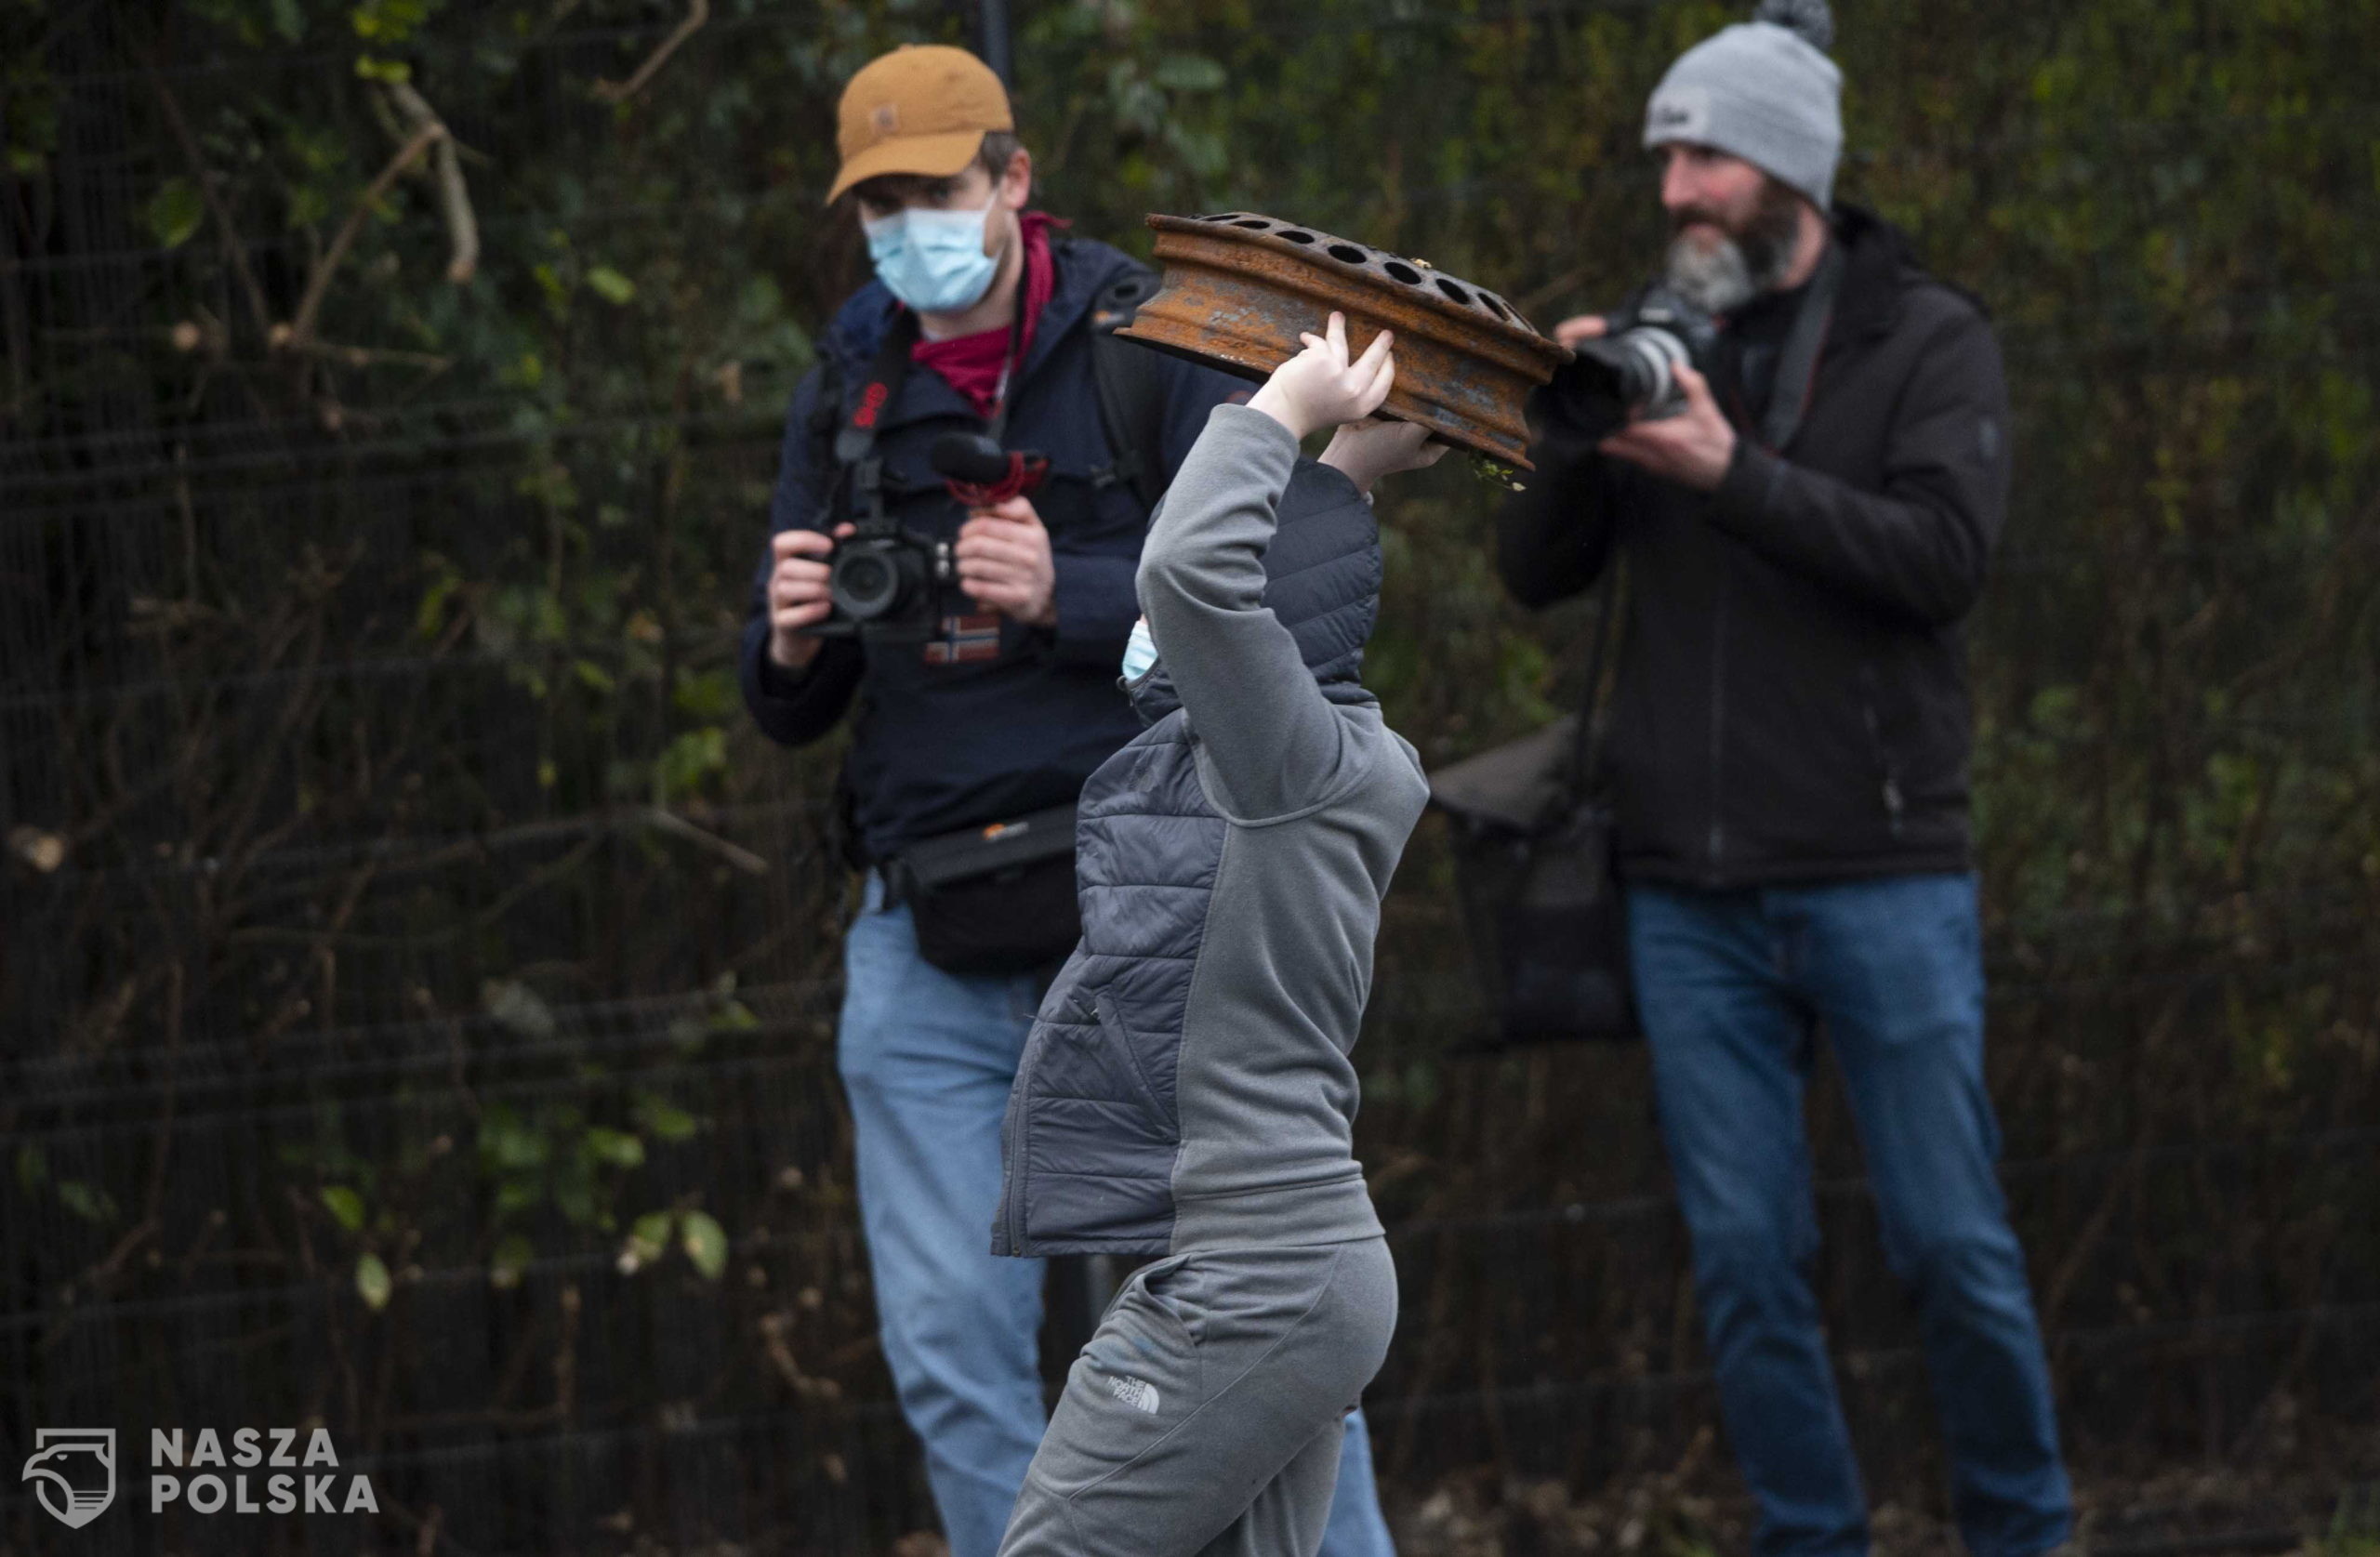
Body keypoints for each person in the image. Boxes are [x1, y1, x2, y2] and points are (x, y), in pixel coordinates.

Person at [738, 46, 1400, 1557]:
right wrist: (783, 644)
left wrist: (1069, 591)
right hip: (927, 932)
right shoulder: (846, 389)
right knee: (954, 1361)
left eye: (934, 192)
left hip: (1151, 927)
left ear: (1014, 181)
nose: (906, 227)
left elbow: (1271, 604)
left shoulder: (1151, 345)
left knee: (1264, 1333)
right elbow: (793, 708)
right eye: (877, 204)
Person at [1495, 4, 2076, 1555]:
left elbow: (1941, 564)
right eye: (1667, 157)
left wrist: (1729, 476)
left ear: (1792, 170)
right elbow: (1534, 580)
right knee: (1746, 1260)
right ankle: (1810, 1541)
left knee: (1952, 1247)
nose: (1676, 186)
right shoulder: (1658, 330)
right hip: (1691, 894)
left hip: (1884, 872)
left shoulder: (1927, 338)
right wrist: (1564, 426)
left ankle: (2024, 1534)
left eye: (1706, 155)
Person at [990, 315, 1444, 1557]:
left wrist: (1281, 409)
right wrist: (1345, 472)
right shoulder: (1344, 761)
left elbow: (1191, 573)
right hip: (1300, 1270)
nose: (1160, 655)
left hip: (1252, 1281)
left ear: (1256, 660)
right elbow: (1289, 589)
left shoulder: (1279, 759)